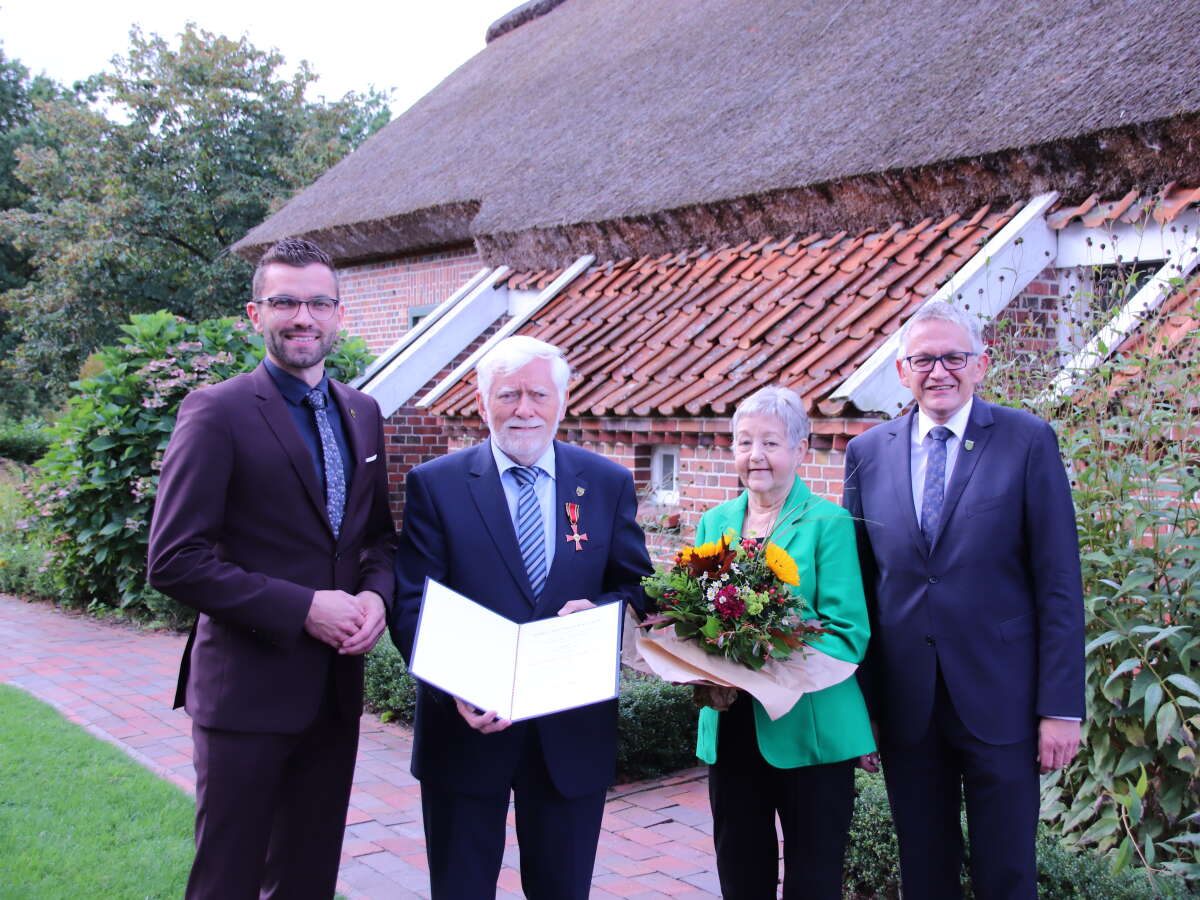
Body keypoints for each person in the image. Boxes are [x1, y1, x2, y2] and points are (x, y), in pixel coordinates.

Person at [147, 238, 397, 900]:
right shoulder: (217, 411)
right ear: (256, 314)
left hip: (335, 695)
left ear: (340, 314)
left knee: (308, 879)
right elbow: (175, 558)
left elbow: (377, 540)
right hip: (246, 697)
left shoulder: (362, 412)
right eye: (285, 301)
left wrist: (374, 597)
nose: (303, 317)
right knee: (228, 881)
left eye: (318, 302)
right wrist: (304, 607)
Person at [387, 335, 652, 900]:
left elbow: (638, 588)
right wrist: (454, 685)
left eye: (537, 394)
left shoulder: (606, 483)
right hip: (466, 730)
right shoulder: (437, 485)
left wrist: (601, 612)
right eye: (508, 395)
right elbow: (412, 603)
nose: (524, 410)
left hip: (570, 731)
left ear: (561, 401)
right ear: (483, 404)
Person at [843, 300, 1085, 899]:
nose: (939, 371)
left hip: (1002, 701)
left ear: (981, 364)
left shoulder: (1027, 442)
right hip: (906, 704)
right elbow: (861, 589)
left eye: (953, 357)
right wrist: (863, 705)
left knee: (1006, 872)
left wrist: (1061, 707)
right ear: (902, 371)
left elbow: (1058, 582)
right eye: (923, 360)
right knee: (924, 871)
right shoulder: (867, 453)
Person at [693, 385, 875, 900]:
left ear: (800, 449)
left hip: (810, 726)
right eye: (745, 442)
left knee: (813, 877)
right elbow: (696, 616)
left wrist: (772, 649)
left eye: (771, 443)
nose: (756, 456)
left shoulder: (828, 523)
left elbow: (848, 632)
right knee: (739, 868)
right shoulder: (715, 522)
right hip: (731, 724)